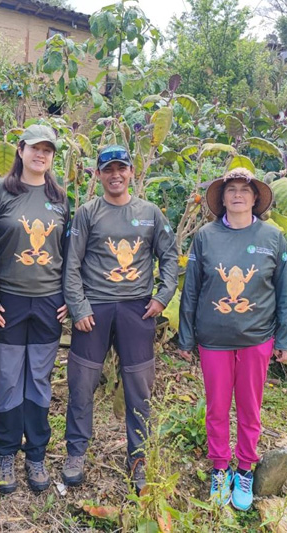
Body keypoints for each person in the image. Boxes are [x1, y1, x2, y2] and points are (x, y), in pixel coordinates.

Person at [63, 144, 178, 493]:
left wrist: (162, 296)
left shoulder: (150, 213)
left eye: (121, 169)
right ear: (98, 175)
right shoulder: (87, 213)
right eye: (108, 169)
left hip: (136, 310)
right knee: (81, 385)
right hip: (94, 310)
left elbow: (170, 256)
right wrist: (79, 307)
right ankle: (76, 452)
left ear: (131, 172)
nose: (115, 175)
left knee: (138, 388)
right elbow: (72, 264)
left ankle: (138, 457)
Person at [177, 167, 287, 511]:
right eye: (232, 190)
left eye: (245, 190)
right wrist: (186, 338)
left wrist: (283, 338)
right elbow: (192, 291)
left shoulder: (273, 238)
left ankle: (244, 468)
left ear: (256, 198)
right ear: (222, 198)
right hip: (213, 339)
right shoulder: (206, 237)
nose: (238, 195)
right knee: (215, 408)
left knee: (249, 407)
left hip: (256, 339)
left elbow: (284, 292)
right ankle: (219, 468)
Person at [0, 125, 70, 494]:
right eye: (34, 148)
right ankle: (4, 451)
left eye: (47, 150)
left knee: (38, 380)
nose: (41, 155)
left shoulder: (61, 198)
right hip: (9, 300)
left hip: (49, 303)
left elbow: (69, 255)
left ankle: (35, 453)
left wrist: (70, 296)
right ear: (20, 150)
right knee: (6, 380)